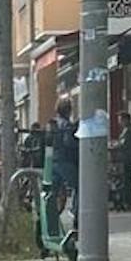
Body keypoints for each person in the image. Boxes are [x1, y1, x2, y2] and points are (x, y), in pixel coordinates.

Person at [45, 98, 79, 244]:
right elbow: (69, 143)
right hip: (65, 161)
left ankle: (49, 222)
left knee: (51, 192)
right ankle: (76, 216)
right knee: (80, 187)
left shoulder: (52, 124)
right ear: (68, 110)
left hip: (53, 161)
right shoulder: (66, 125)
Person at [111, 112, 131, 212]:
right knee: (128, 180)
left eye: (121, 120)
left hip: (127, 158)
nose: (120, 122)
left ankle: (129, 202)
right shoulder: (129, 130)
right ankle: (129, 201)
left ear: (126, 120)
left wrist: (113, 146)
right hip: (129, 157)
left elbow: (123, 144)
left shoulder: (129, 131)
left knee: (127, 180)